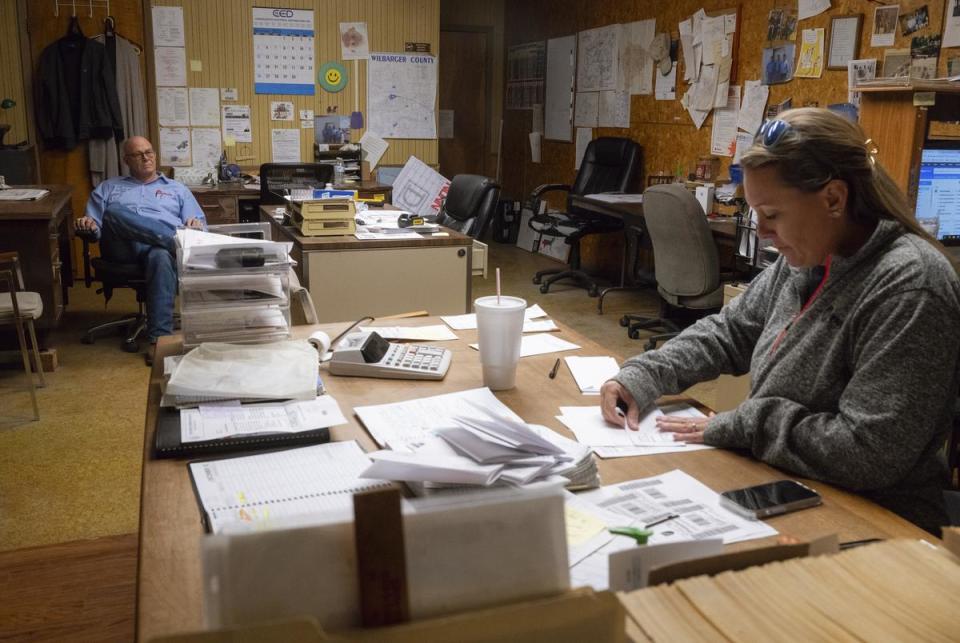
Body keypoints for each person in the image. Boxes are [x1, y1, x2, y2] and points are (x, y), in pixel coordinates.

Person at [600, 108, 960, 534]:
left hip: (878, 525)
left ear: (833, 199)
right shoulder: (809, 255)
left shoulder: (910, 285)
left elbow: (868, 452)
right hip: (790, 487)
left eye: (772, 214)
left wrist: (744, 423)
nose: (762, 230)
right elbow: (730, 331)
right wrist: (643, 375)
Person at [76, 136, 206, 344]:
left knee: (162, 256)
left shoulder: (177, 189)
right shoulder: (109, 187)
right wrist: (88, 226)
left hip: (157, 251)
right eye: (138, 154)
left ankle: (159, 340)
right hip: (122, 249)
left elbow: (200, 227)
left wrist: (195, 225)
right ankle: (172, 241)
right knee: (114, 212)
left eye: (149, 152)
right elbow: (95, 229)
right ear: (126, 160)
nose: (145, 158)